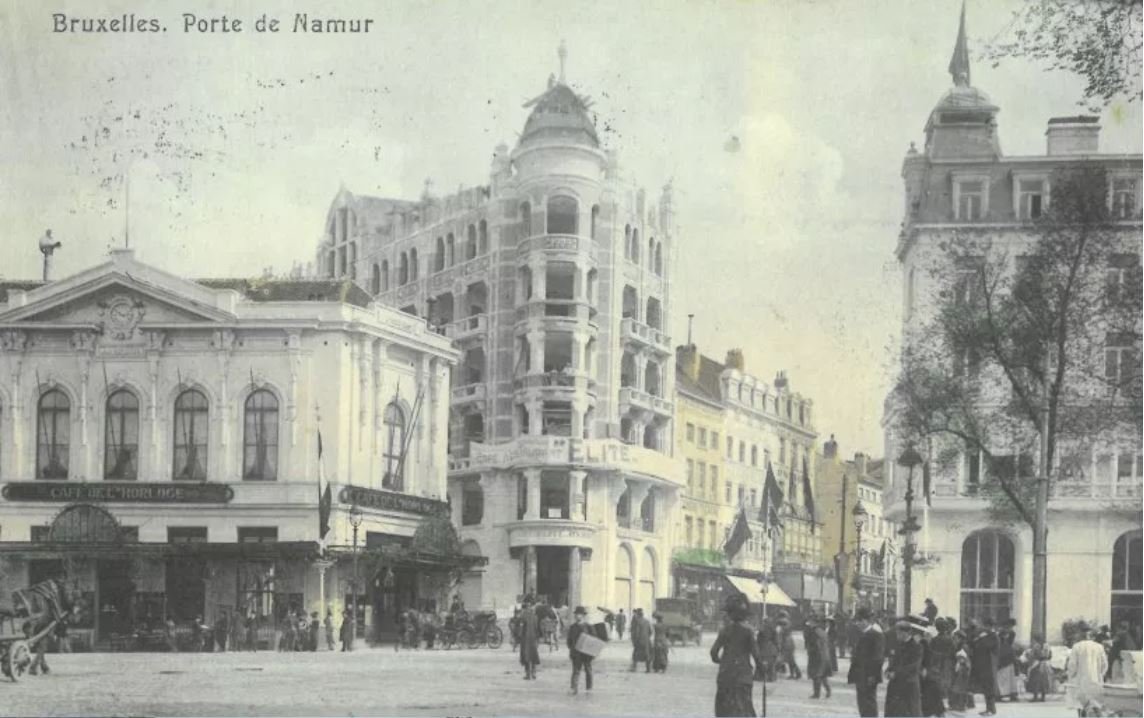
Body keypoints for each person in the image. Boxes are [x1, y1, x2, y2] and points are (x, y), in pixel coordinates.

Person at [710, 593, 764, 717]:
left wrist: (721, 661)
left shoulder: (724, 630)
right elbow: (756, 655)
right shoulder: (748, 631)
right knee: (743, 707)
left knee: (724, 709)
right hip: (743, 675)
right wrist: (761, 669)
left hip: (725, 675)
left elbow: (713, 652)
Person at [847, 606, 885, 718]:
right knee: (862, 702)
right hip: (860, 674)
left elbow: (878, 658)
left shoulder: (876, 635)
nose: (858, 623)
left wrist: (872, 675)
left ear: (866, 621)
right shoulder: (862, 634)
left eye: (860, 621)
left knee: (869, 703)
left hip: (869, 676)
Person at [1066, 622, 1108, 717]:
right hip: (1096, 681)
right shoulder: (1099, 647)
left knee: (1081, 706)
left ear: (1080, 633)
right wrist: (1100, 675)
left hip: (1081, 682)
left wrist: (1070, 677)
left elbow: (1072, 666)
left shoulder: (1077, 647)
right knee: (1097, 706)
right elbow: (1105, 665)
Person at [884, 618, 925, 717]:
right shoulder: (898, 645)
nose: (897, 635)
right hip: (895, 685)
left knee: (909, 712)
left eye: (898, 633)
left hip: (908, 686)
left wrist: (896, 674)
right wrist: (888, 670)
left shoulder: (917, 647)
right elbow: (893, 662)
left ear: (905, 633)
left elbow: (913, 667)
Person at [922, 617, 955, 717]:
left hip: (936, 665)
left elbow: (931, 653)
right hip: (947, 664)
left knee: (936, 686)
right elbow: (953, 653)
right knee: (944, 684)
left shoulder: (934, 640)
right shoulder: (950, 639)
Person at [969, 617, 1000, 716]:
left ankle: (991, 709)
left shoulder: (993, 636)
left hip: (990, 665)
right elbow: (974, 644)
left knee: (989, 688)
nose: (984, 628)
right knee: (986, 688)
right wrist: (979, 638)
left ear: (990, 626)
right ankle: (988, 709)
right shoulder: (985, 635)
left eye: (986, 626)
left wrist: (981, 638)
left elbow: (986, 646)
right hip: (984, 665)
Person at [567, 606, 595, 694]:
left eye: (578, 614)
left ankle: (589, 688)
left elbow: (594, 639)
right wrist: (572, 649)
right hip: (576, 653)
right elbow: (569, 641)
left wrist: (591, 652)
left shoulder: (589, 627)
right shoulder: (572, 627)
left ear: (583, 615)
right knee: (576, 671)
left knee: (588, 670)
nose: (576, 616)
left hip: (586, 654)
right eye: (576, 614)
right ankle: (574, 688)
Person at [805, 615, 833, 699]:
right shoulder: (822, 631)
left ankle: (816, 694)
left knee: (816, 675)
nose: (809, 624)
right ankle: (828, 690)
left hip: (817, 656)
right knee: (823, 675)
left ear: (814, 623)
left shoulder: (814, 632)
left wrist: (810, 651)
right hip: (825, 655)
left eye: (810, 622)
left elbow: (815, 645)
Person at [1023, 633, 1053, 702]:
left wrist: (1028, 655)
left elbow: (1035, 655)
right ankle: (1043, 697)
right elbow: (1049, 655)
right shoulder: (1046, 646)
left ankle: (1035, 697)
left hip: (1037, 665)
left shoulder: (1036, 646)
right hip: (1044, 665)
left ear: (1035, 639)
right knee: (1043, 681)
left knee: (1035, 681)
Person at [996, 620, 1020, 702]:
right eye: (1009, 626)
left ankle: (1012, 694)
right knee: (1001, 677)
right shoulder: (999, 634)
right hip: (1002, 657)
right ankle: (999, 694)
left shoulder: (1012, 634)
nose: (1010, 628)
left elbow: (1010, 644)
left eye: (1011, 627)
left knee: (1011, 677)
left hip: (1009, 657)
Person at [518, 595, 541, 680]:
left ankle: (528, 674)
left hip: (525, 638)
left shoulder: (523, 615)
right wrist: (538, 638)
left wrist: (519, 636)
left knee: (526, 655)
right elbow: (537, 628)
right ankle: (533, 673)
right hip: (533, 638)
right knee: (533, 655)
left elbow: (521, 627)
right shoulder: (535, 615)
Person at [949, 644, 974, 713]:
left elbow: (967, 672)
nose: (960, 660)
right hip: (958, 681)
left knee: (962, 694)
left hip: (963, 682)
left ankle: (962, 706)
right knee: (956, 693)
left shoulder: (966, 663)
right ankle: (956, 705)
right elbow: (956, 671)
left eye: (961, 658)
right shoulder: (959, 663)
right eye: (959, 658)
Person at [776, 612, 801, 679]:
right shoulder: (788, 623)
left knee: (785, 659)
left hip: (786, 643)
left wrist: (779, 644)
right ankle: (795, 673)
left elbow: (780, 635)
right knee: (791, 660)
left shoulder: (782, 623)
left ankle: (796, 673)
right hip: (790, 642)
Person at [756, 618, 779, 682]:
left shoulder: (761, 630)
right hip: (771, 648)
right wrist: (777, 649)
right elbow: (776, 641)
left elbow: (758, 640)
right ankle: (771, 677)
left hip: (763, 648)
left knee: (761, 662)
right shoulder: (773, 630)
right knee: (771, 664)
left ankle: (760, 676)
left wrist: (758, 647)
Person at [629, 607, 652, 672]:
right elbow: (650, 632)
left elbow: (636, 632)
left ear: (638, 614)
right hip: (646, 641)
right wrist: (646, 637)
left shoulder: (637, 622)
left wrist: (634, 640)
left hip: (639, 640)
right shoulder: (647, 621)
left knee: (635, 654)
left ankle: (634, 668)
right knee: (647, 654)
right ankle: (648, 669)